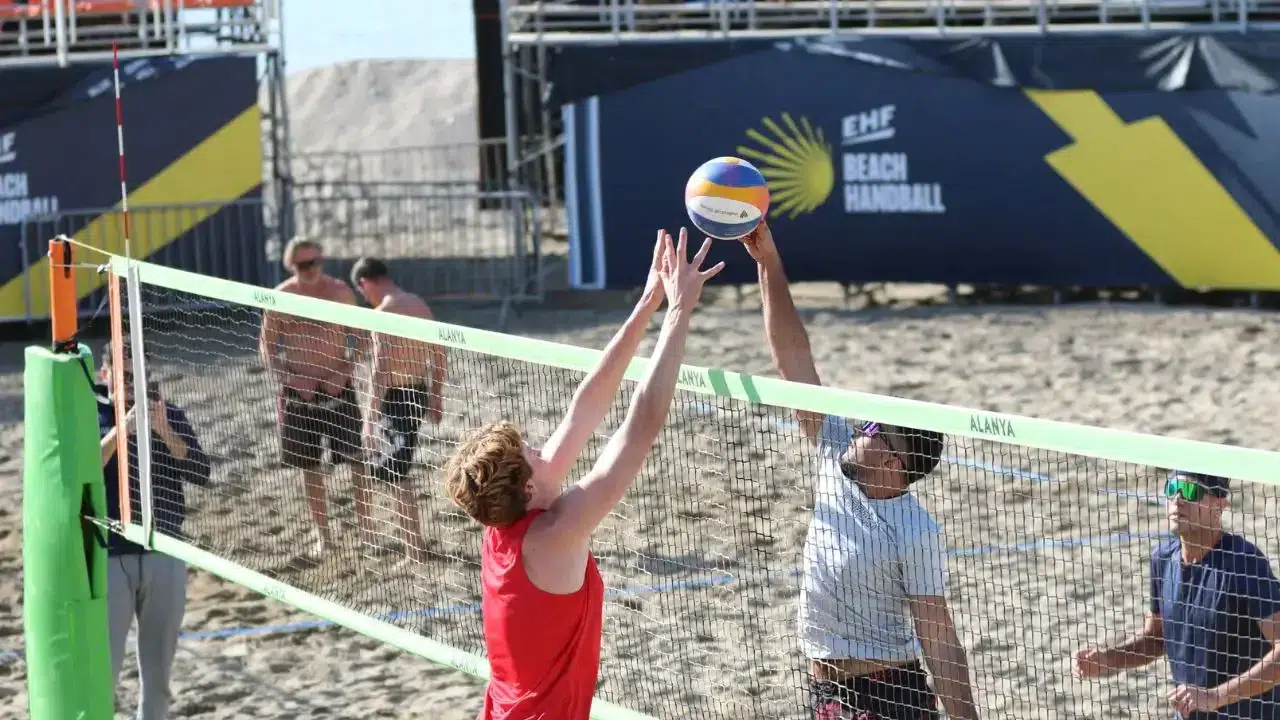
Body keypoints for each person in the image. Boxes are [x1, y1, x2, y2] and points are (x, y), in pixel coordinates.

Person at [444, 229, 723, 720]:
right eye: (531, 451)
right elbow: (640, 427)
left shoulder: (502, 523)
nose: (540, 446)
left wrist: (648, 304)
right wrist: (680, 311)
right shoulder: (554, 536)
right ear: (528, 486)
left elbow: (584, 408)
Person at [741, 221, 979, 720]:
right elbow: (792, 358)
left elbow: (939, 637)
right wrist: (769, 264)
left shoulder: (914, 530)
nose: (859, 428)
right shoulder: (835, 456)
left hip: (890, 696)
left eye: (872, 428)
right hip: (826, 692)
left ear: (892, 462)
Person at [1074, 471, 1280, 719]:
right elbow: (1156, 639)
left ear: (1219, 506)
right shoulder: (1162, 560)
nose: (1178, 499)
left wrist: (1216, 696)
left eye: (1191, 491)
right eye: (1171, 489)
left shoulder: (1245, 562)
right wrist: (1109, 659)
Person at [96, 341, 211, 720]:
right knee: (104, 672)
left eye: (140, 376)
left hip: (164, 549)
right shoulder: (92, 414)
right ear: (105, 374)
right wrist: (122, 430)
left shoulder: (167, 413)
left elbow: (200, 472)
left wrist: (162, 429)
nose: (133, 383)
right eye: (126, 375)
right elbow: (82, 470)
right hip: (111, 553)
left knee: (159, 675)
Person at [259, 237, 369, 557]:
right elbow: (266, 348)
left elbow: (362, 338)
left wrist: (344, 371)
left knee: (357, 461)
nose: (311, 269)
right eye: (304, 264)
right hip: (300, 392)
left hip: (338, 387)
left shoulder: (340, 292)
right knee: (310, 467)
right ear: (290, 266)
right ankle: (324, 536)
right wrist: (291, 378)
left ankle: (366, 532)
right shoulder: (281, 297)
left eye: (316, 262)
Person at [349, 256, 448, 565]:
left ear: (365, 283)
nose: (364, 297)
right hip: (418, 392)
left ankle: (414, 550)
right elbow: (439, 352)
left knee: (396, 475)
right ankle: (408, 545)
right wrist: (435, 394)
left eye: (362, 291)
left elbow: (380, 370)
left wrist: (368, 420)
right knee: (392, 471)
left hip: (396, 399)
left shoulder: (384, 313)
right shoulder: (417, 303)